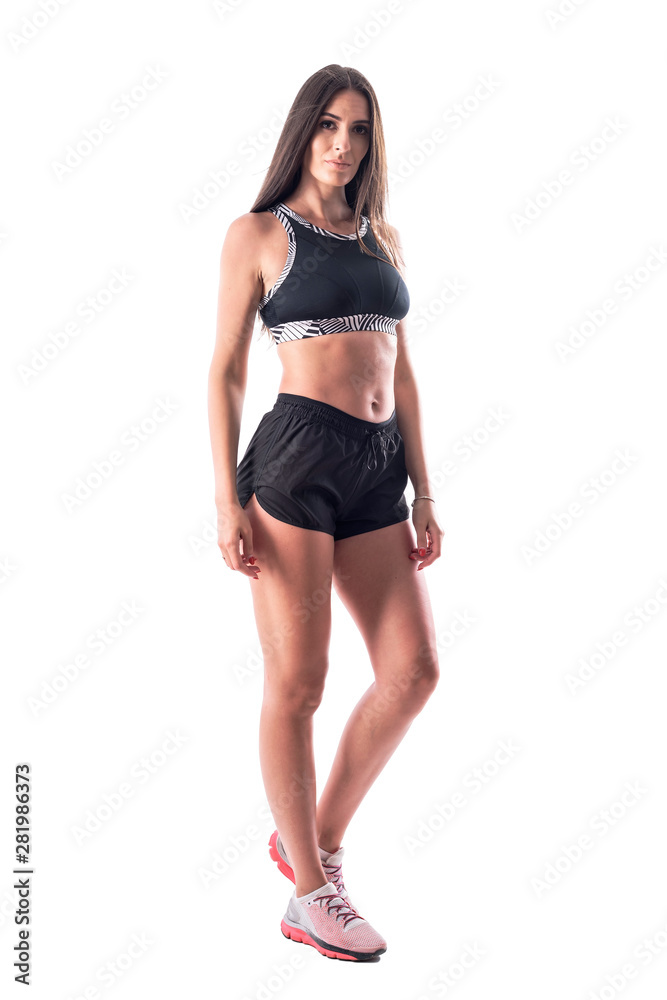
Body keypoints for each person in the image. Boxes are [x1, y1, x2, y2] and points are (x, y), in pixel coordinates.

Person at [208, 64, 443, 963]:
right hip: (297, 463)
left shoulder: (380, 237)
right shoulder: (259, 234)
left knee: (413, 671)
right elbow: (225, 369)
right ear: (303, 131)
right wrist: (223, 495)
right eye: (328, 127)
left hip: (378, 471)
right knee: (299, 682)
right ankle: (309, 896)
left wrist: (425, 488)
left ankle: (313, 844)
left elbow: (404, 370)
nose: (343, 145)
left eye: (358, 130)